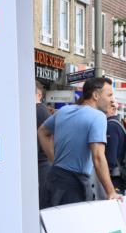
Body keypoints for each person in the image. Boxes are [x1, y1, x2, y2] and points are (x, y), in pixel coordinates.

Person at [37, 76, 119, 205]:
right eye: (109, 95)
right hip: (74, 186)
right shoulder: (98, 117)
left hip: (53, 180)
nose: (112, 101)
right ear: (96, 95)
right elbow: (97, 157)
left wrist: (55, 160)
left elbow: (42, 131)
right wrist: (111, 192)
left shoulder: (64, 111)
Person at [35, 81, 52, 208]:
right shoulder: (42, 111)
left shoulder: (40, 110)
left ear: (39, 95)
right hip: (41, 165)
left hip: (41, 165)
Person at [105, 107, 126, 194]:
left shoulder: (111, 126)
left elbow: (110, 157)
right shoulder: (118, 124)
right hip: (119, 172)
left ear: (113, 110)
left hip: (114, 175)